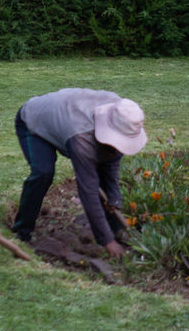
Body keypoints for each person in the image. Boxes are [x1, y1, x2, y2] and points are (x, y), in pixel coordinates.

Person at [11, 88, 147, 255]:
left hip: (65, 120)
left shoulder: (124, 114)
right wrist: (107, 241)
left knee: (106, 168)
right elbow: (88, 191)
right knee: (43, 172)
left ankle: (116, 229)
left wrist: (114, 200)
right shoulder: (82, 141)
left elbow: (110, 168)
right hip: (34, 121)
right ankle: (21, 230)